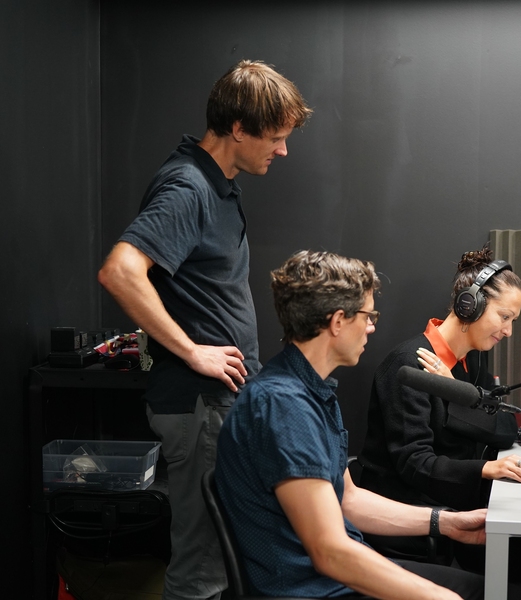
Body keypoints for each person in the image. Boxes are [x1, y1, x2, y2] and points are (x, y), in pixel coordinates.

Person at [97, 60, 312, 600]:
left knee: (223, 560)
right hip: (199, 406)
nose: (283, 150)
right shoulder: (188, 186)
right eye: (276, 137)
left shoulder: (218, 186)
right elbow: (120, 271)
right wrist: (193, 350)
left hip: (219, 405)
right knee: (202, 568)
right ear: (238, 128)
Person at [215, 250, 486, 600]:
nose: (372, 326)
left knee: (482, 588)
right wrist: (437, 596)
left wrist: (446, 523)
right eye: (368, 315)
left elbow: (349, 501)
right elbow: (330, 553)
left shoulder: (311, 390)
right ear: (338, 321)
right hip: (310, 590)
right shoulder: (283, 407)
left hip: (332, 577)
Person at [357, 245, 521, 599]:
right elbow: (415, 464)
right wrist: (485, 469)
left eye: (513, 321)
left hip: (462, 507)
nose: (508, 331)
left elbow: (505, 429)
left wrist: (455, 391)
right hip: (422, 525)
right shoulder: (407, 366)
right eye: (504, 317)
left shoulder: (472, 360)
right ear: (471, 305)